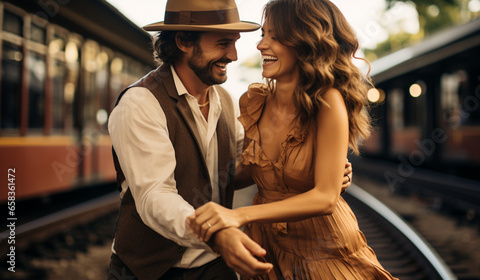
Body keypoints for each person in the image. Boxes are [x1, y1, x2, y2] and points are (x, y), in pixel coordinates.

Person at [107, 0, 353, 279]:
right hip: (152, 269)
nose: (234, 55)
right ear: (184, 41)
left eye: (235, 43)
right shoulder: (140, 103)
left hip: (215, 263)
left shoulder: (225, 101)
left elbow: (237, 170)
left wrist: (316, 172)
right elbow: (155, 197)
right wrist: (218, 233)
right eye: (223, 43)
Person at [187, 0, 398, 279]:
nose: (261, 45)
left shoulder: (328, 102)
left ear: (305, 42)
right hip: (268, 247)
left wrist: (238, 216)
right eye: (264, 34)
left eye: (275, 36)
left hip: (322, 250)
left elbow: (325, 198)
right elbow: (247, 173)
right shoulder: (254, 102)